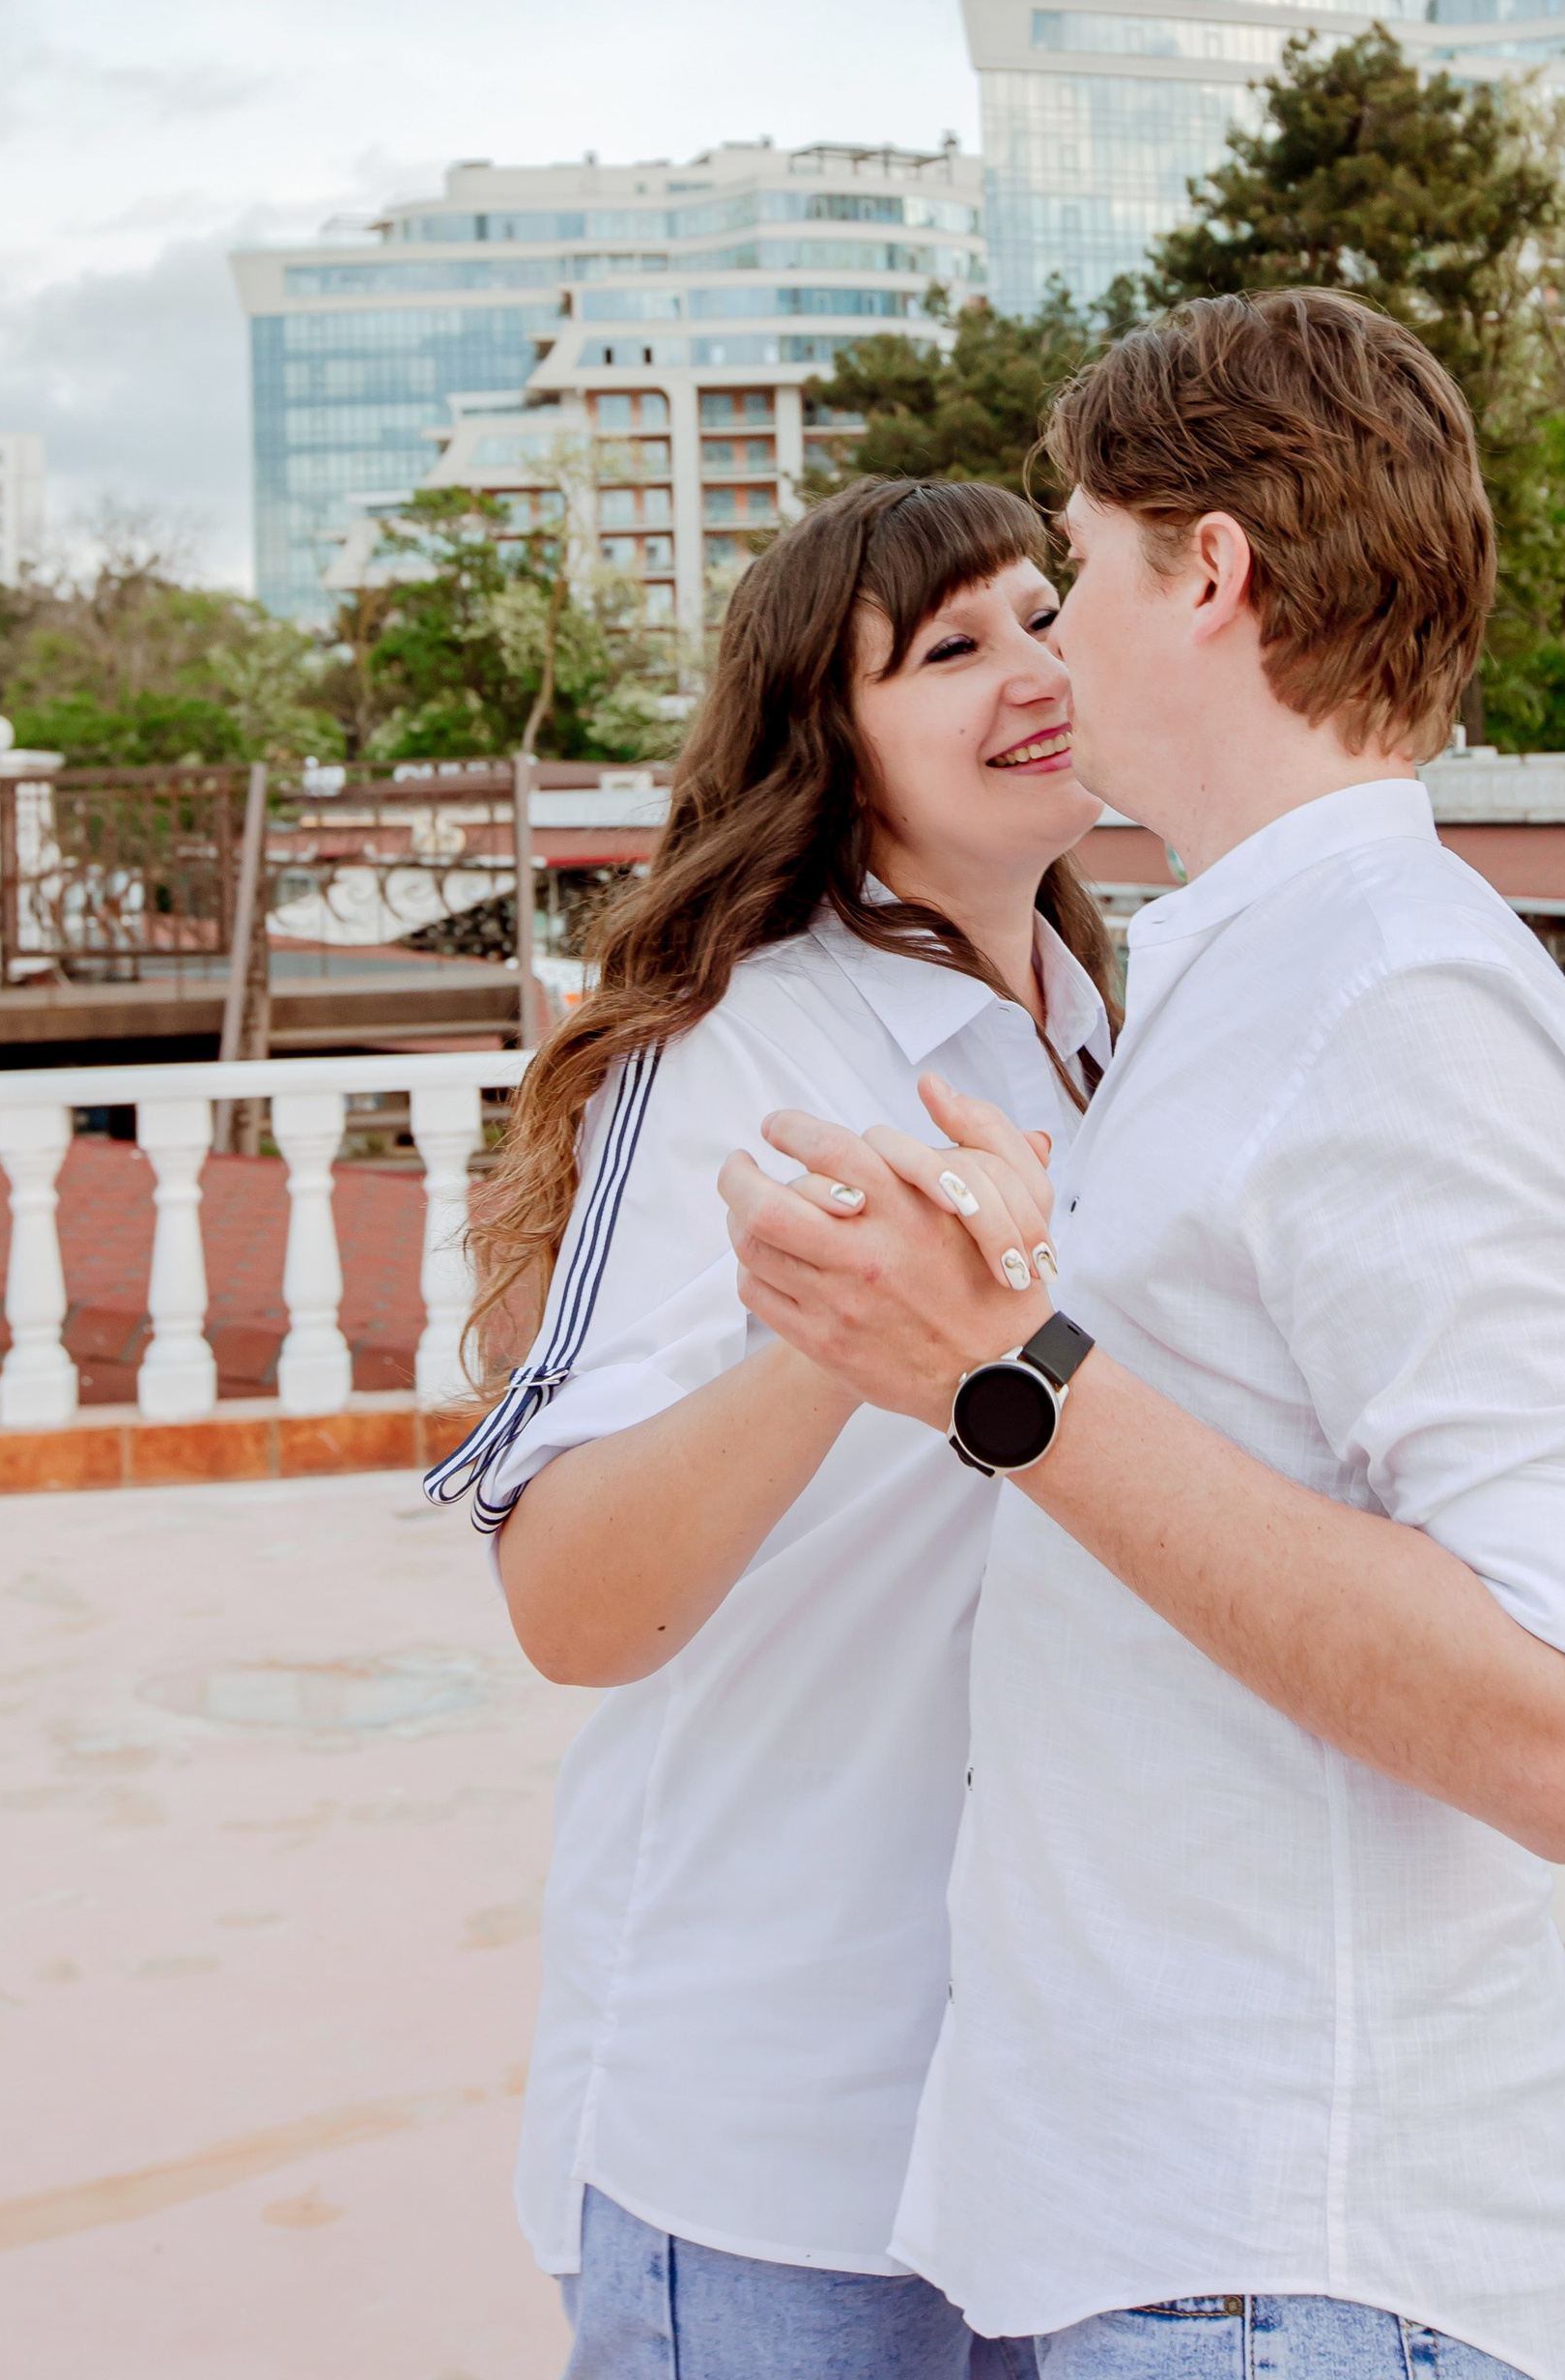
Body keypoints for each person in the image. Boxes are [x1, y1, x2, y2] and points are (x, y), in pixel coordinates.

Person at [724, 292, 1565, 2380]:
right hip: (1201, 2241)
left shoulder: (1392, 999)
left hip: (1301, 2265)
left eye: (1075, 568)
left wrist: (1002, 1376)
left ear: (1212, 572)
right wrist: (1025, 1303)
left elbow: (1558, 1734)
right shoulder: (1256, 970)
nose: (1052, 635)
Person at [430, 476, 1114, 2380]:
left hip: (1055, 2114)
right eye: (951, 649)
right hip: (771, 2132)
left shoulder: (1097, 1039)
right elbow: (569, 1603)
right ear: (830, 745)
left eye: (1045, 618)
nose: (1033, 669)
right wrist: (844, 1330)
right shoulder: (723, 1046)